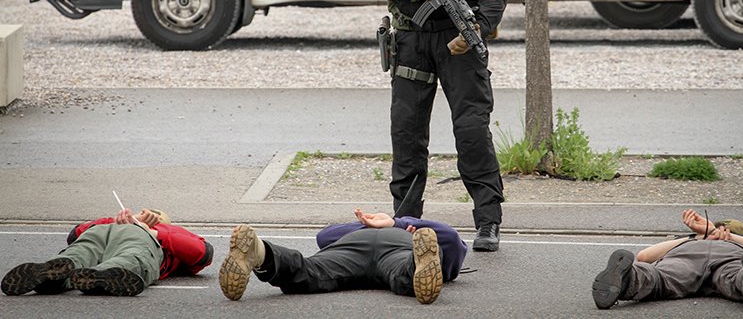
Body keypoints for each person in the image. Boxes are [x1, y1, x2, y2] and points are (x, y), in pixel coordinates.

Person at [355, 0, 511, 252]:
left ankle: (488, 221)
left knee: (472, 130)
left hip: (458, 42)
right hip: (411, 39)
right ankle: (405, 221)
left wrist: (479, 25)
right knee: (407, 133)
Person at [218, 208, 468, 304]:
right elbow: (453, 240)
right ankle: (417, 266)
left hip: (372, 247)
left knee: (308, 272)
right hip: (384, 248)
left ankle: (260, 252)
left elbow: (325, 237)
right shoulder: (414, 235)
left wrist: (395, 222)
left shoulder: (407, 231)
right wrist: (394, 224)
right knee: (404, 277)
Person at [592, 208, 743, 313]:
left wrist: (699, 235)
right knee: (735, 278)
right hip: (730, 257)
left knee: (660, 277)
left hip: (688, 254)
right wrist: (713, 235)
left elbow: (643, 257)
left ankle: (628, 280)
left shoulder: (688, 240)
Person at [1, 208, 213, 297]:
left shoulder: (166, 232)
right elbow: (76, 233)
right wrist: (117, 221)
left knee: (84, 253)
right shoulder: (118, 223)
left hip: (121, 235)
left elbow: (202, 253)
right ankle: (98, 274)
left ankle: (60, 277)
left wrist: (154, 231)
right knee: (91, 251)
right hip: (112, 234)